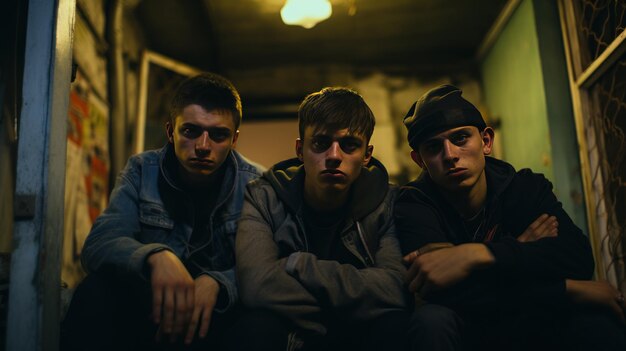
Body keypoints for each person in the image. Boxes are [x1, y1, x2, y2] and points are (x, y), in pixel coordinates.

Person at [395, 84, 626, 351]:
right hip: (470, 327)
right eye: (433, 147)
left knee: (598, 320)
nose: (450, 155)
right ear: (419, 160)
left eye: (460, 139)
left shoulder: (524, 188)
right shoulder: (413, 203)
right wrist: (566, 287)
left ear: (486, 141)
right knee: (431, 320)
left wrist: (475, 256)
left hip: (528, 320)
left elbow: (577, 258)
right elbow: (446, 293)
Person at [61, 72, 263, 351]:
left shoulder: (256, 185)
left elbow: (269, 267)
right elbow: (98, 244)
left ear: (234, 139)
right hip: (152, 313)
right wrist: (155, 257)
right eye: (191, 131)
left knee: (263, 321)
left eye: (218, 135)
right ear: (170, 132)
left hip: (218, 318)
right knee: (95, 291)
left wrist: (221, 283)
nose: (203, 147)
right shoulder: (142, 170)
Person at [235, 87, 409, 350]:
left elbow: (395, 288)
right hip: (297, 331)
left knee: (395, 325)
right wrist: (340, 309)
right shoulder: (265, 197)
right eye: (320, 143)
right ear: (300, 149)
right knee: (255, 325)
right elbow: (255, 285)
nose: (334, 156)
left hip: (359, 332)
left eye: (349, 145)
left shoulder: (388, 202)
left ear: (367, 155)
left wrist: (303, 266)